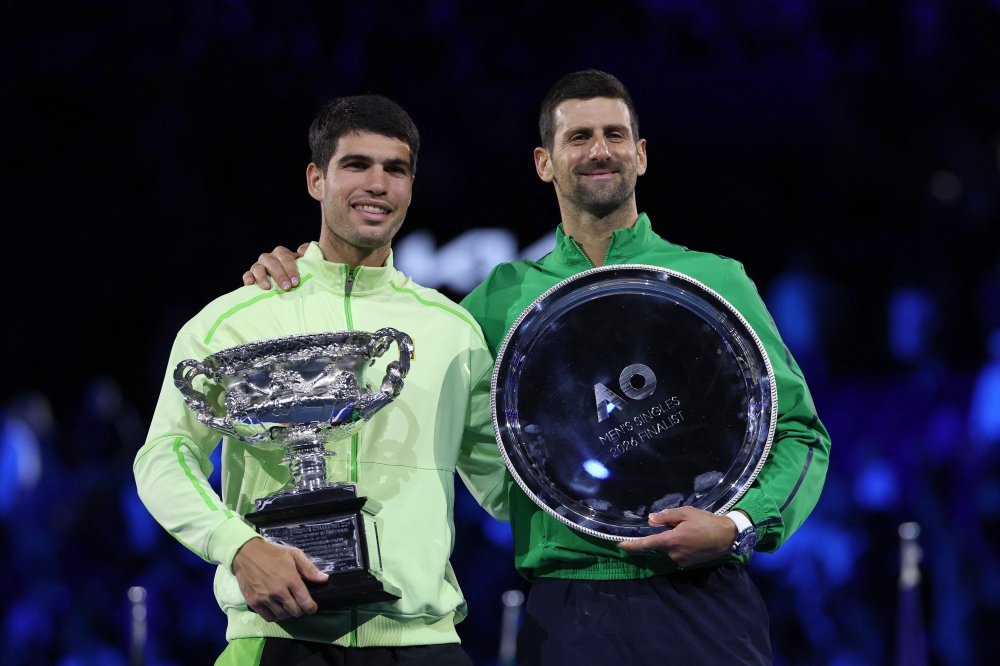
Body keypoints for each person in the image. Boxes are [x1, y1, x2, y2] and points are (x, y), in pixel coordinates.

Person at [245, 71, 831, 666]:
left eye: (614, 135)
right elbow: (382, 340)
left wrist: (739, 524)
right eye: (579, 137)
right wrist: (311, 273)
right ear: (544, 163)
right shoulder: (497, 302)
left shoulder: (715, 281)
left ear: (640, 155)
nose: (599, 150)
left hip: (706, 599)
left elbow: (800, 434)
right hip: (567, 613)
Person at [136, 95, 507, 666]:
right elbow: (163, 456)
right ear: (316, 179)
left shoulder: (452, 330)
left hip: (422, 643)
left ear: (411, 187)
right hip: (276, 639)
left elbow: (503, 488)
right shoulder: (236, 319)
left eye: (396, 169)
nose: (377, 184)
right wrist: (238, 547)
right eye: (356, 165)